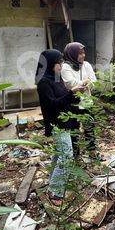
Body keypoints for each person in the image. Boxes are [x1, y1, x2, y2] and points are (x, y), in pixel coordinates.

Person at [35, 49, 85, 205]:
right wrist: (71, 94)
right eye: (59, 63)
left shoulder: (56, 78)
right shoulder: (43, 83)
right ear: (50, 64)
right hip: (57, 124)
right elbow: (52, 105)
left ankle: (52, 183)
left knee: (59, 155)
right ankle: (55, 192)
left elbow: (63, 98)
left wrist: (74, 94)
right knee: (66, 156)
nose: (61, 66)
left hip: (66, 122)